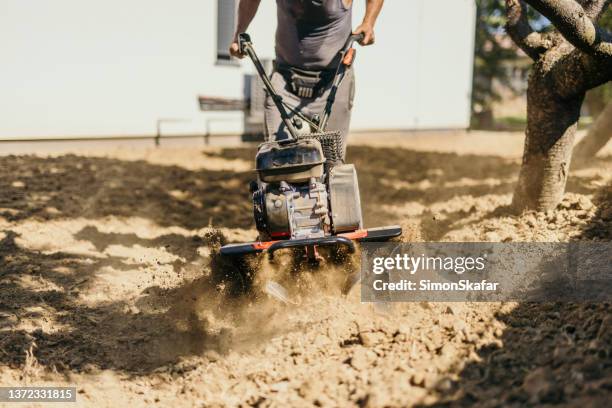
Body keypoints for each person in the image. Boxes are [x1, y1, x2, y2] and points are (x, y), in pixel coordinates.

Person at [229, 0, 384, 159]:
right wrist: (239, 33)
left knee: (332, 163)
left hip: (333, 83)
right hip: (285, 82)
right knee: (278, 159)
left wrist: (368, 22)